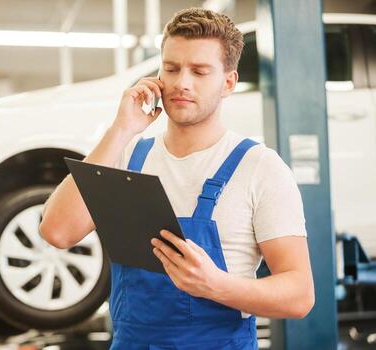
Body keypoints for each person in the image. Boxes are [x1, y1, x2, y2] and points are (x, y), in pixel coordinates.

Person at [40, 7, 314, 350]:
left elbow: (300, 295)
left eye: (199, 71)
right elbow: (57, 231)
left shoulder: (259, 167)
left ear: (228, 82)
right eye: (171, 68)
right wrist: (121, 129)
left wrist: (215, 284)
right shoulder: (127, 156)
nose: (182, 82)